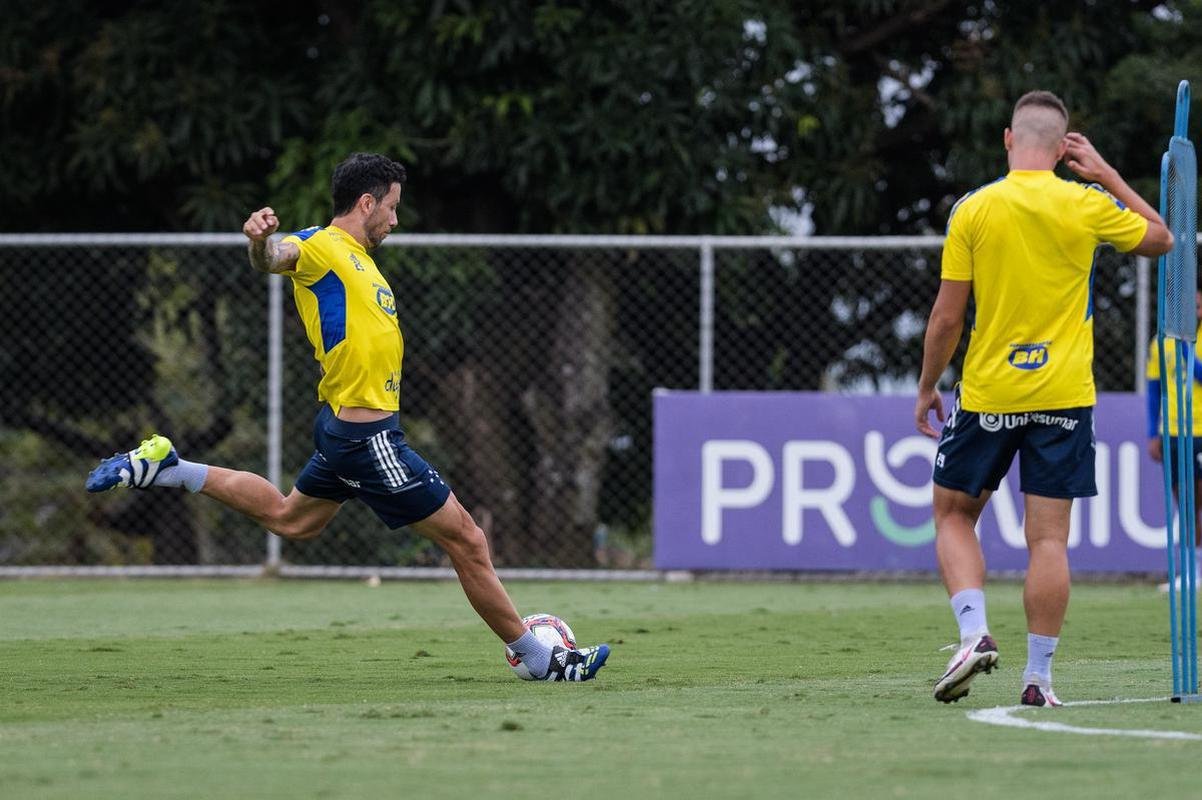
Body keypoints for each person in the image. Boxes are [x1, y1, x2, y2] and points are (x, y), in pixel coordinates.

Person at [86, 152, 610, 682]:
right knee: (468, 540)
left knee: (291, 519)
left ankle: (170, 468)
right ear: (366, 203)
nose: (395, 220)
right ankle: (541, 658)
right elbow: (275, 257)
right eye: (391, 207)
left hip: (347, 430)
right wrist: (259, 241)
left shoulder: (361, 259)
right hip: (368, 438)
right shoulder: (321, 246)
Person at [914, 91, 1173, 707]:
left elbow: (948, 317)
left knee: (953, 515)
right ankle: (1039, 679)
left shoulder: (974, 209)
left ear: (1008, 139)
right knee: (1049, 541)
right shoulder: (1087, 203)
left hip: (991, 392)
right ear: (1062, 150)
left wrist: (927, 386)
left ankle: (974, 634)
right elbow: (1163, 239)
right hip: (1064, 394)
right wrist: (1106, 174)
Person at [1147, 289, 1202, 593]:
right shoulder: (1160, 342)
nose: (1194, 312)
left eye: (1198, 306)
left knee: (1199, 500)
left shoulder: (1185, 344)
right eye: (1190, 306)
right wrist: (1151, 432)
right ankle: (1191, 571)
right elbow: (1154, 389)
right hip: (1173, 431)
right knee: (1185, 503)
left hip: (1201, 430)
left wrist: (1186, 351)